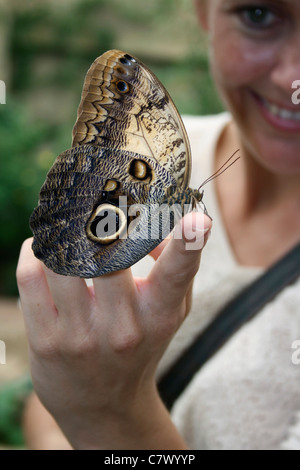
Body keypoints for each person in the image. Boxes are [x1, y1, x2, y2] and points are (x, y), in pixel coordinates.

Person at [17, 0, 300, 450]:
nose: (292, 78)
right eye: (259, 14)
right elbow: (49, 394)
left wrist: (105, 411)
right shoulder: (178, 143)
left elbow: (77, 401)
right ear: (203, 12)